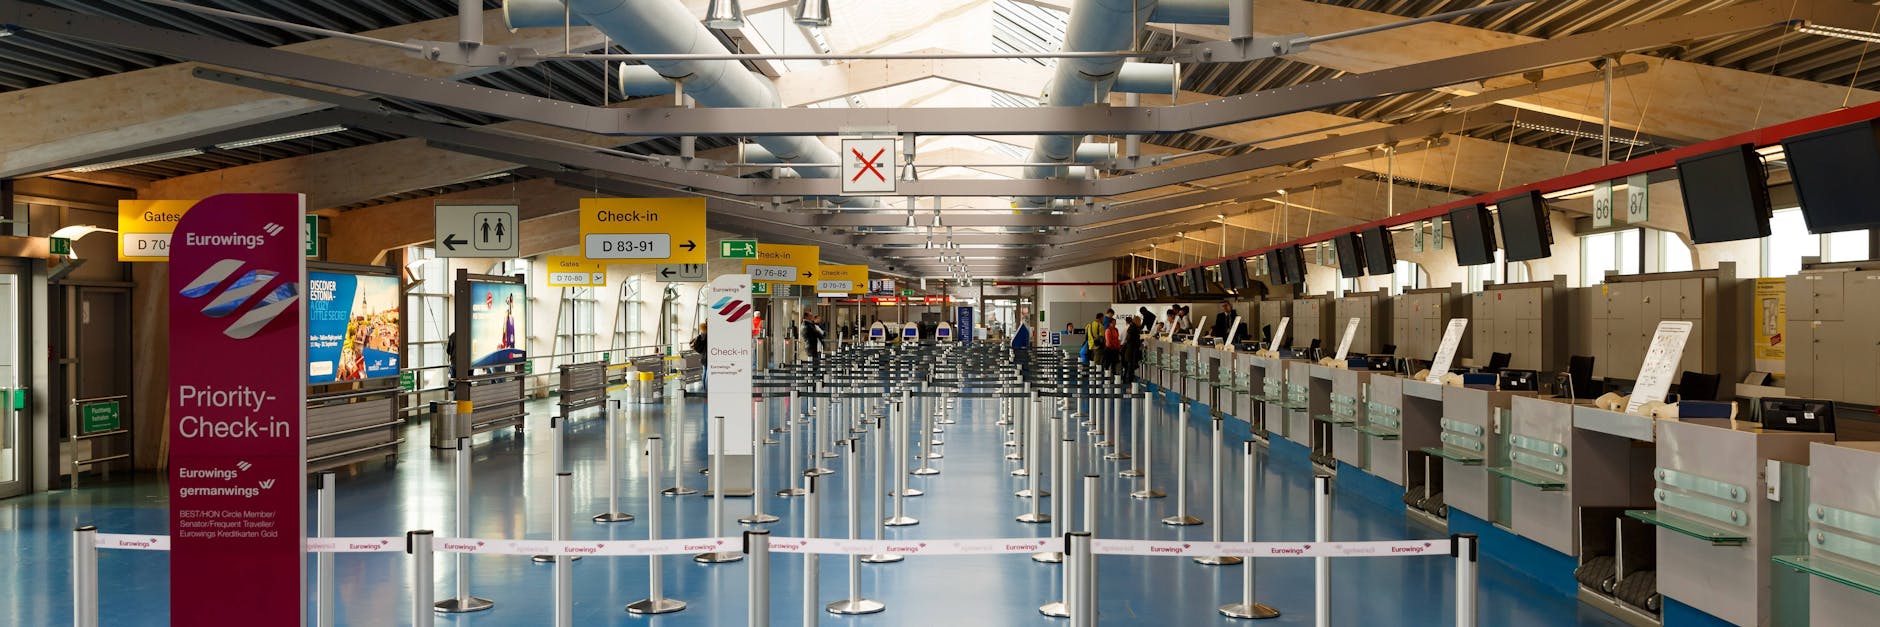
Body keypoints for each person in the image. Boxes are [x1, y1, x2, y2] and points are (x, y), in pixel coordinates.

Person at [1122, 315, 1145, 383]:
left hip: (1129, 351)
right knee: (1130, 369)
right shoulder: (1134, 330)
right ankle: (1128, 383)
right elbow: (1135, 341)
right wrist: (1141, 341)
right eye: (1140, 321)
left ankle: (1126, 382)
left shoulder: (1131, 328)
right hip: (1132, 352)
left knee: (1128, 368)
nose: (1140, 322)